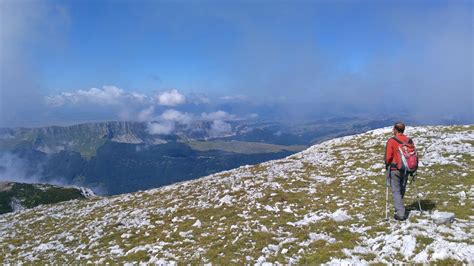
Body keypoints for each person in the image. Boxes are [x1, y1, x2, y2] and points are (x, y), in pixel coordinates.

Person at [384, 122, 414, 221]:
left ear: (395, 130)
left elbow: (388, 157)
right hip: (406, 169)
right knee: (402, 188)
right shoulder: (409, 140)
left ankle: (400, 213)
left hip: (395, 169)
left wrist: (387, 164)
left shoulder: (392, 141)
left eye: (393, 129)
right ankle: (399, 206)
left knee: (396, 190)